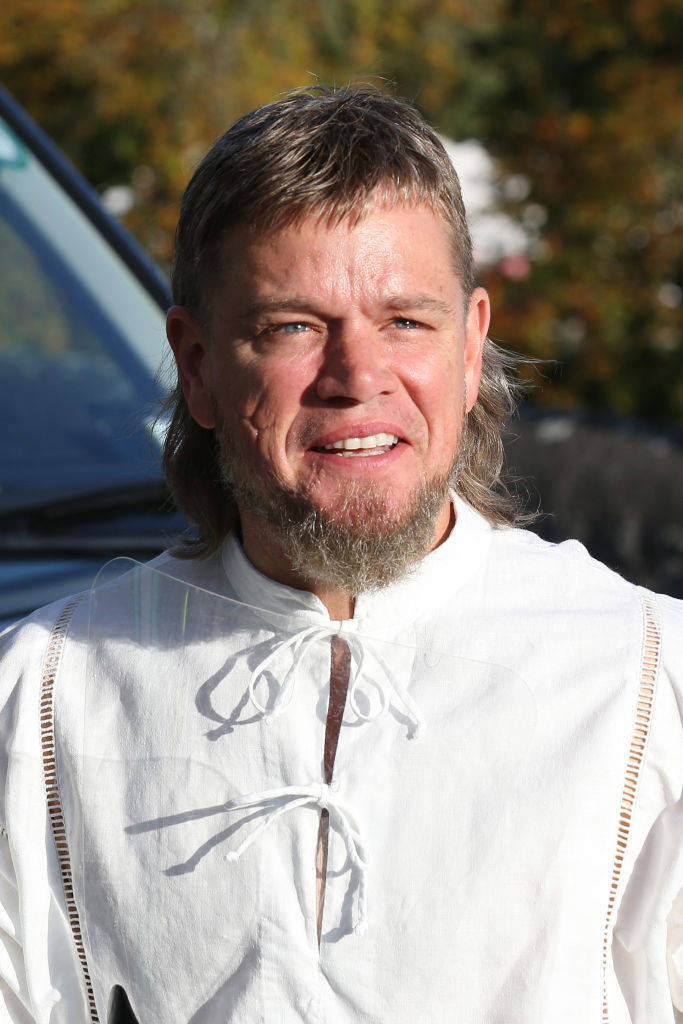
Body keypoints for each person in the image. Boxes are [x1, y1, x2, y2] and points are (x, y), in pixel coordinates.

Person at [0, 85, 681, 1024]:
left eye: (405, 320)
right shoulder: (46, 696)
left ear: (472, 345)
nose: (358, 378)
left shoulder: (646, 680)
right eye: (293, 327)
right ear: (195, 364)